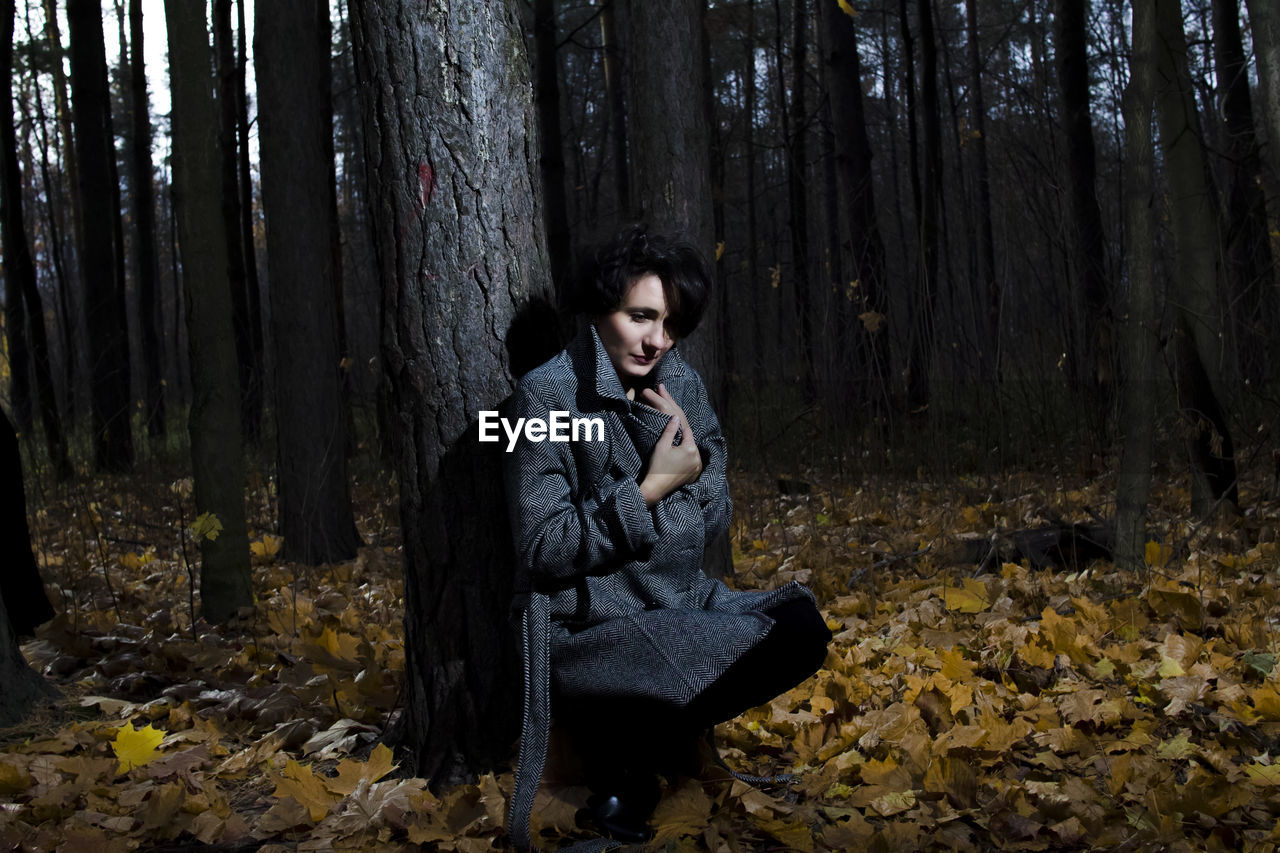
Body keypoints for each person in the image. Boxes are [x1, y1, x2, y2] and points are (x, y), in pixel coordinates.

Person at [503, 225, 830, 848]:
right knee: (684, 654)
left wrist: (695, 475)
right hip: (588, 627)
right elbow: (543, 547)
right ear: (602, 308)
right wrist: (651, 487)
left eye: (671, 324)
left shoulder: (680, 384)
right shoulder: (539, 400)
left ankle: (636, 757)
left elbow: (714, 517)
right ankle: (624, 770)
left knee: (801, 627)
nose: (657, 341)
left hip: (679, 604)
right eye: (640, 317)